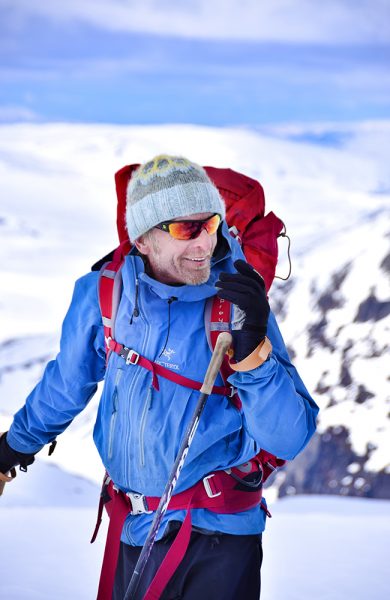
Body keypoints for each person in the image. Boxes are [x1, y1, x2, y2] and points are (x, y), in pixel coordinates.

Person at [0, 155, 319, 599]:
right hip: (134, 527)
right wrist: (14, 447)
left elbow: (288, 437)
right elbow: (67, 383)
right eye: (185, 229)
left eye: (210, 225)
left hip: (219, 535)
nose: (204, 244)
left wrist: (254, 355)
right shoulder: (104, 292)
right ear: (144, 238)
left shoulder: (237, 302)